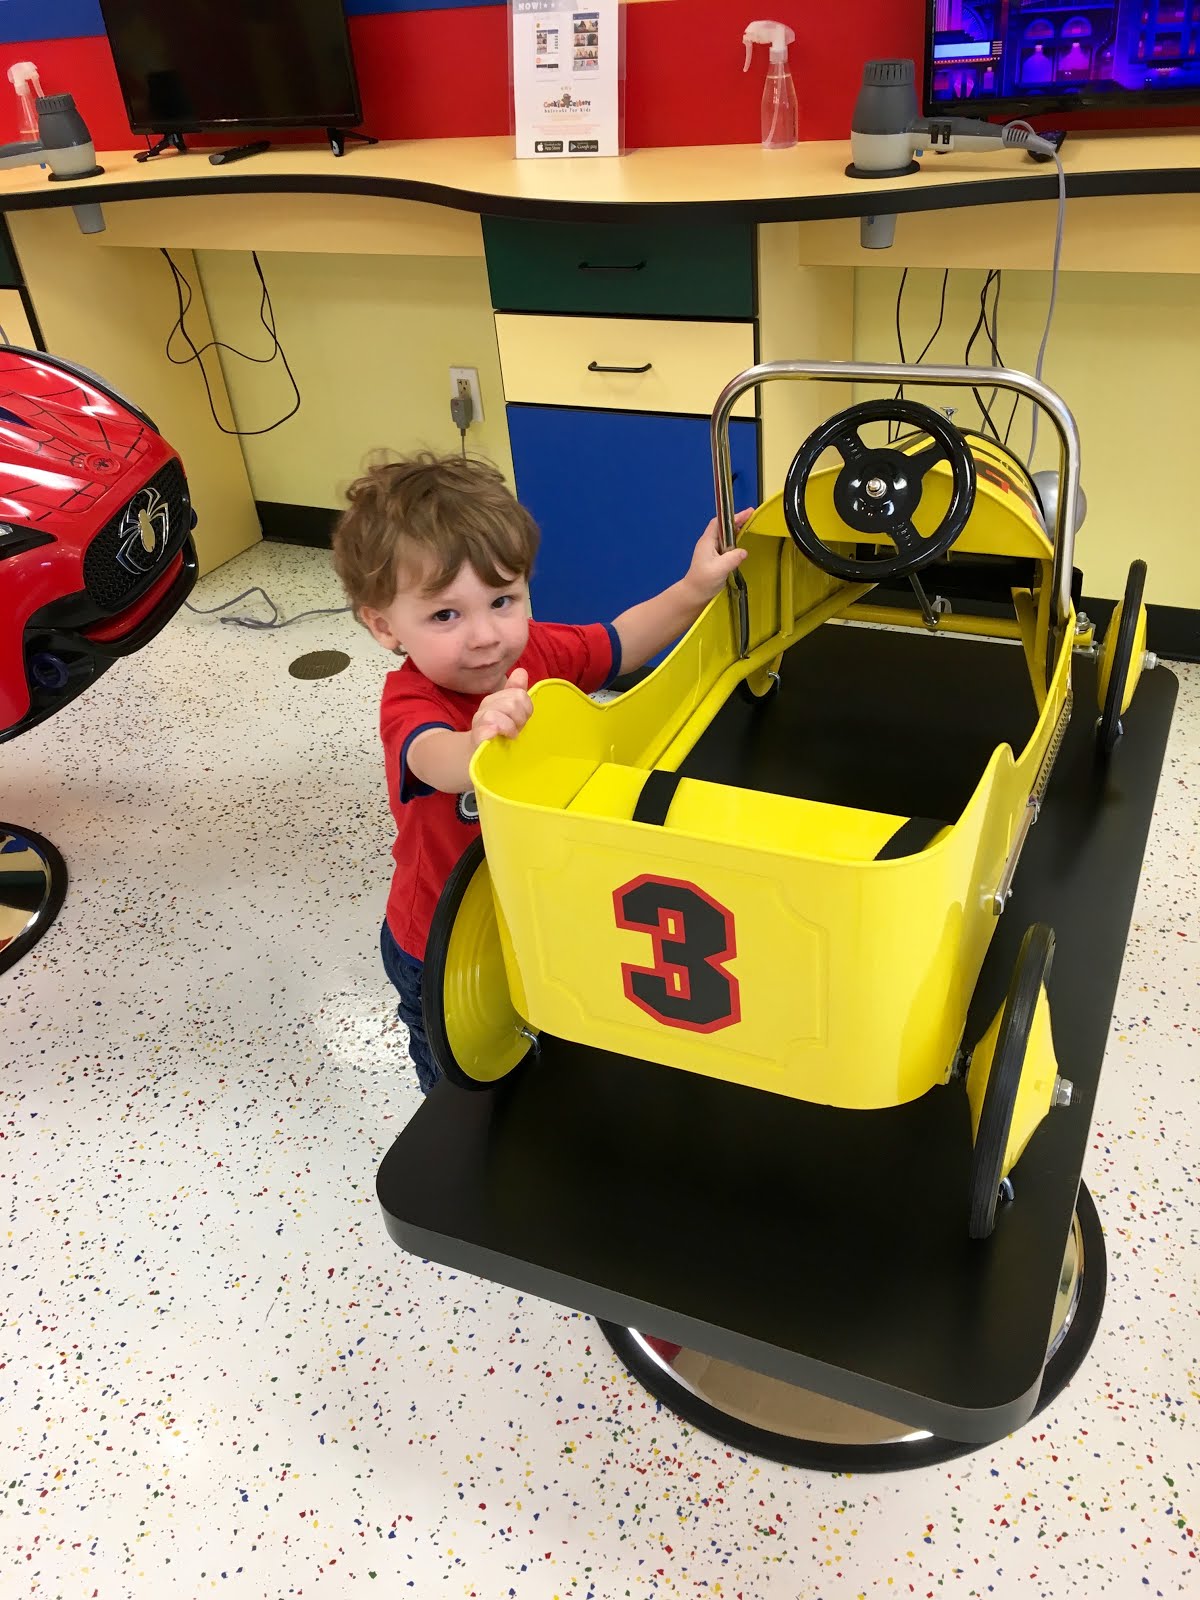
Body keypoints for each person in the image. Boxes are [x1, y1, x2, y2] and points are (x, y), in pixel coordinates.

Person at [332, 451, 753, 1094]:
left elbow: (618, 643)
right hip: (441, 938)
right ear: (385, 627)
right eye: (445, 615)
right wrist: (476, 740)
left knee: (541, 1027)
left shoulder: (538, 649)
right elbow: (434, 760)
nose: (485, 637)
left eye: (503, 600)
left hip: (536, 907)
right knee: (458, 1074)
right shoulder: (413, 703)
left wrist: (695, 587)